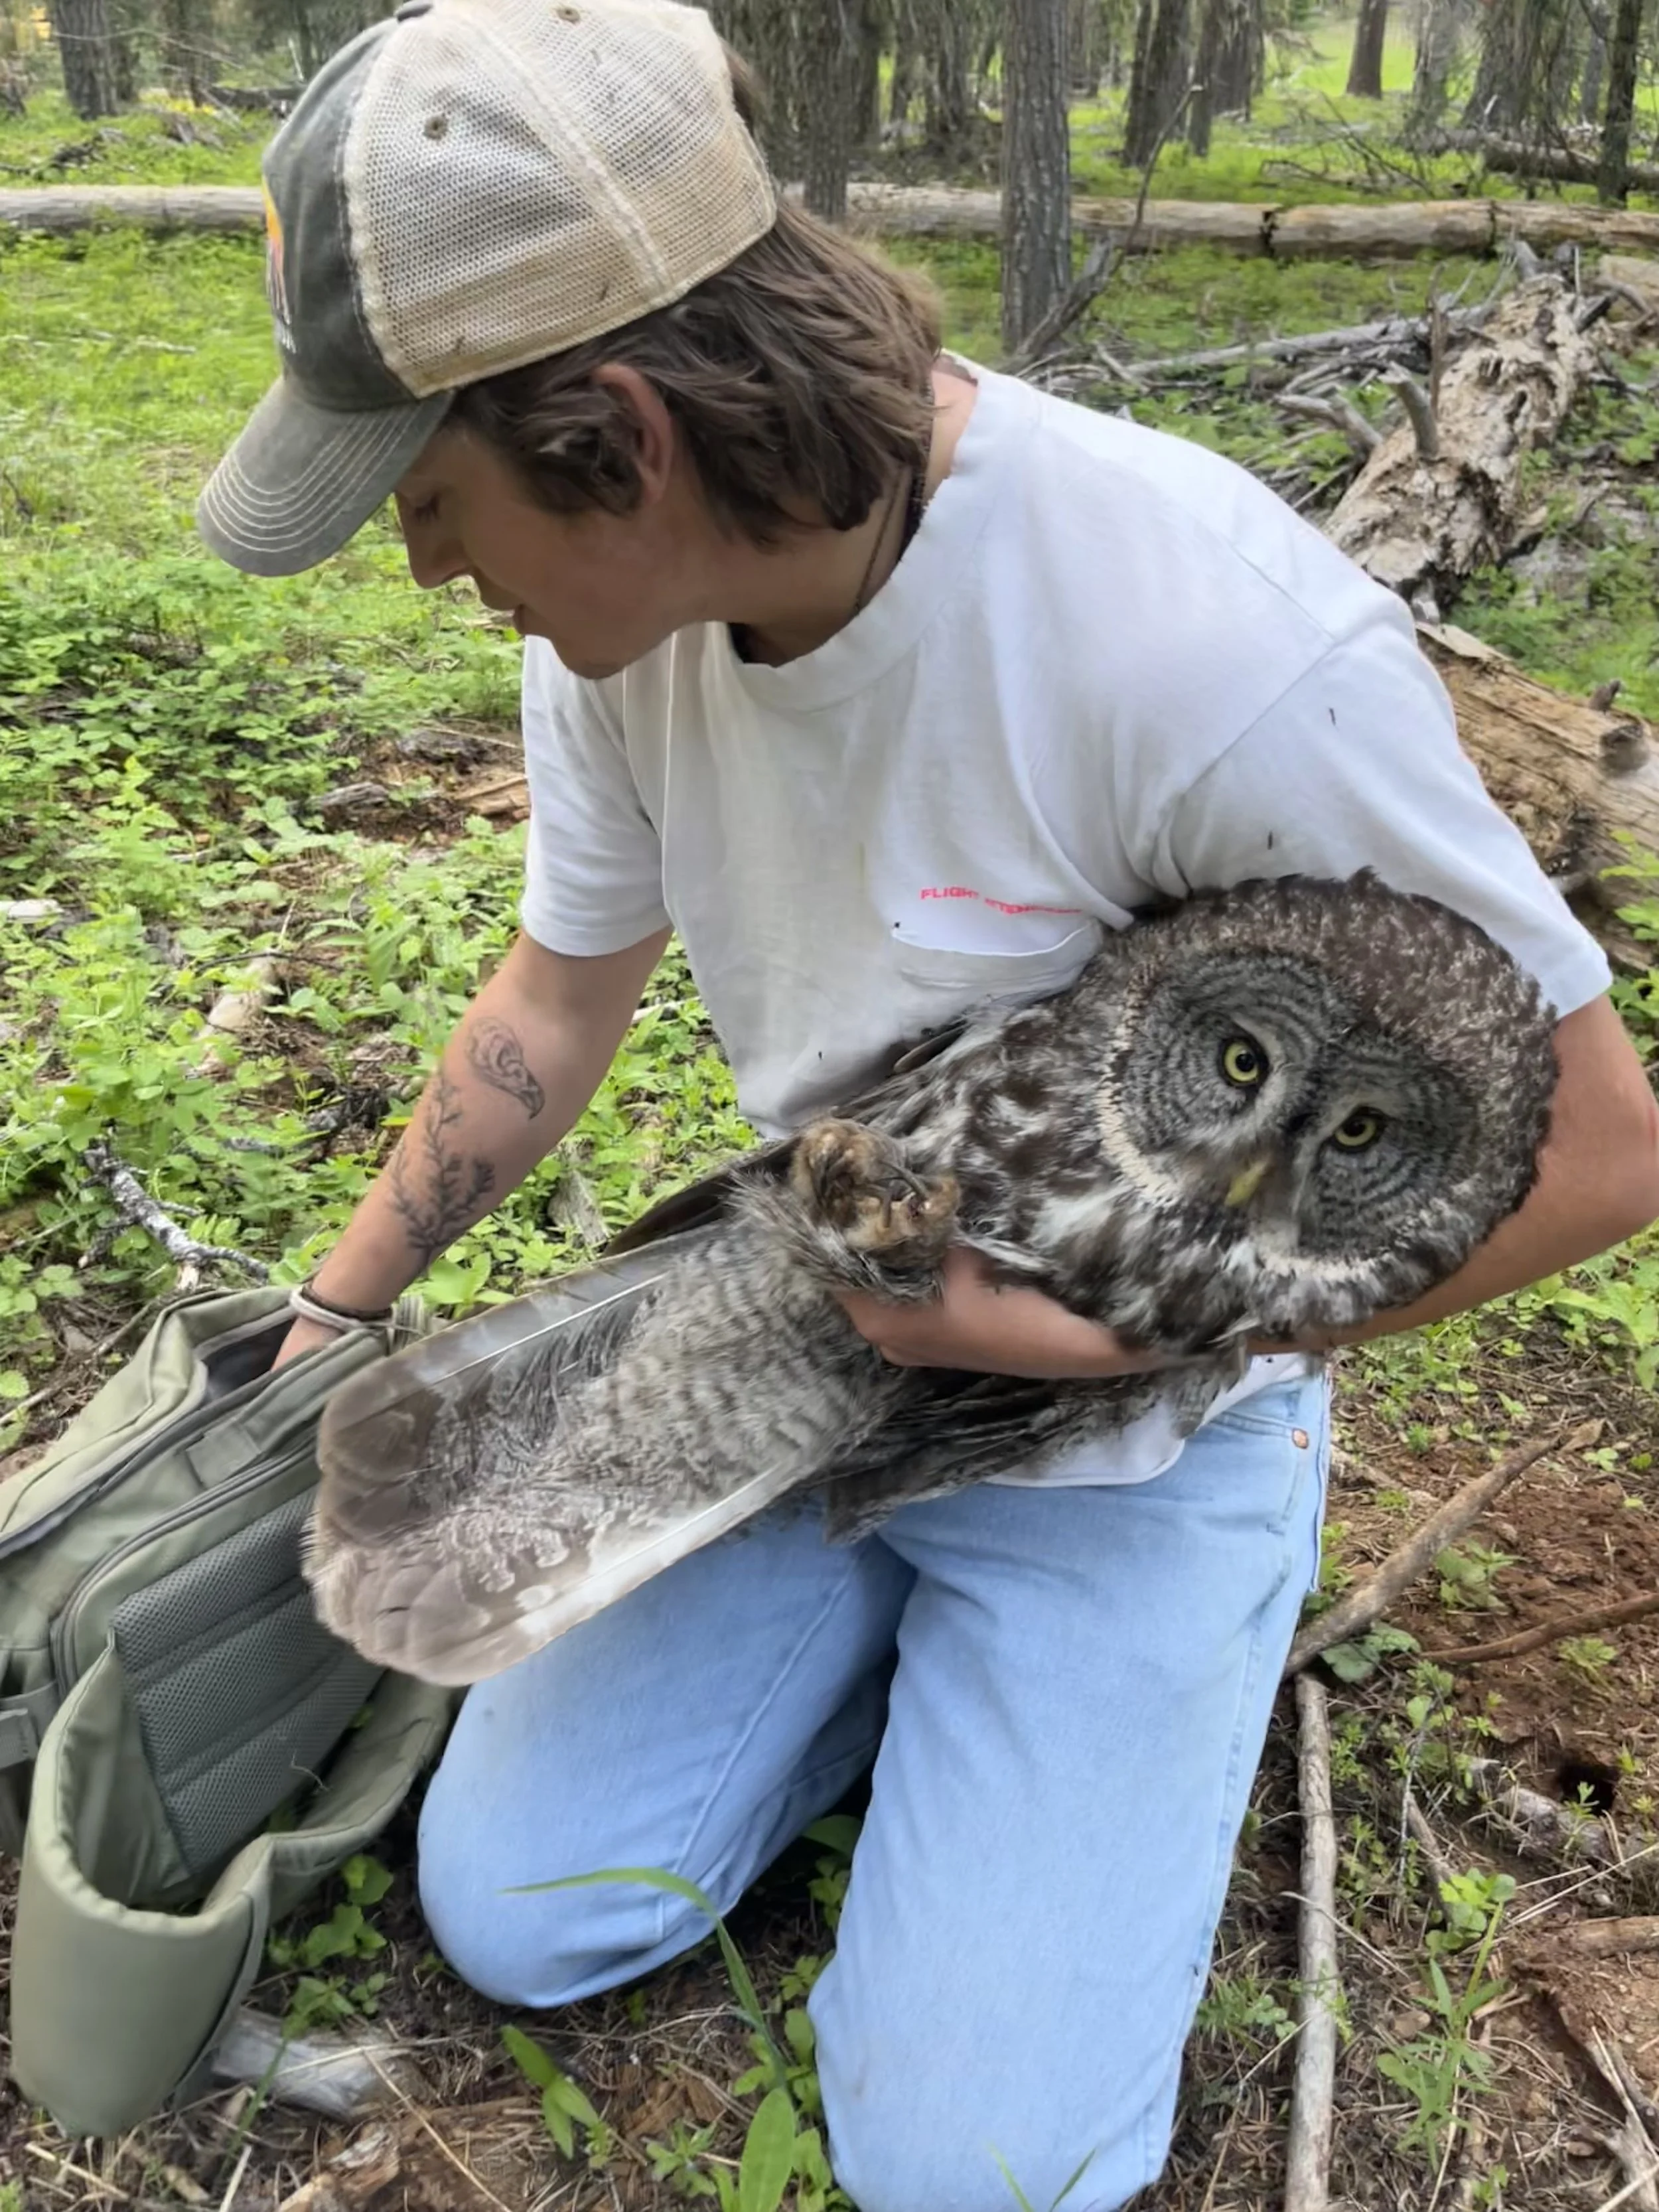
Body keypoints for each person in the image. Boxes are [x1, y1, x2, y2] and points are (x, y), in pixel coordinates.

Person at [197, 1, 1659, 2203]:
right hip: (821, 1338)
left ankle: (1115, 1659)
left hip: (1139, 1410)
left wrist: (1121, 1335)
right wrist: (331, 1302)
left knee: (963, 2171)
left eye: (429, 501)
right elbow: (556, 991)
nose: (424, 566)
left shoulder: (1193, 640)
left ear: (618, 431)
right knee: (524, 1912)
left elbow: (1601, 1146)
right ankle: (903, 1671)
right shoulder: (621, 633)